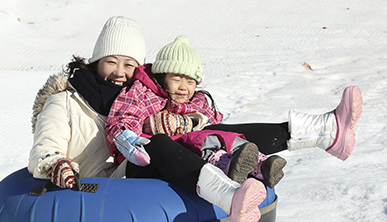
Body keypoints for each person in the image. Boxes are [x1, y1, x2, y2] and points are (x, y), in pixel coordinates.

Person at [29, 16, 267, 222]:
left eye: (129, 64)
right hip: (89, 191)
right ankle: (229, 196)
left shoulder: (143, 99)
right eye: (111, 62)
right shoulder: (65, 102)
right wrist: (55, 164)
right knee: (157, 144)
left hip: (136, 181)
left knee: (205, 134)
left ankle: (261, 166)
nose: (119, 72)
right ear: (96, 62)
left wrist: (192, 121)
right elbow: (44, 149)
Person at [104, 35, 288, 188]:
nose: (183, 87)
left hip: (185, 150)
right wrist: (131, 137)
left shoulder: (197, 101)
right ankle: (226, 167)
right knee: (191, 140)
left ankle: (259, 164)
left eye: (190, 82)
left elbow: (213, 119)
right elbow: (124, 118)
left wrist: (192, 121)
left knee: (218, 131)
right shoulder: (143, 93)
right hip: (150, 157)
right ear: (162, 77)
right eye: (176, 79)